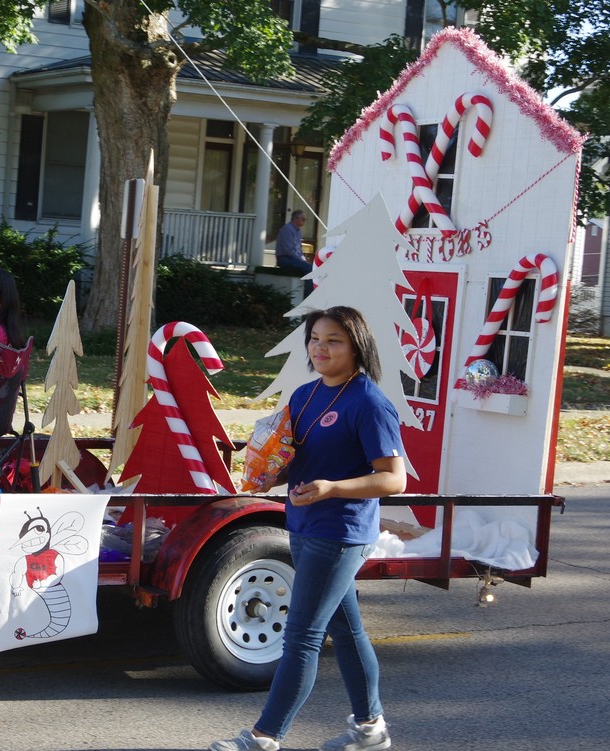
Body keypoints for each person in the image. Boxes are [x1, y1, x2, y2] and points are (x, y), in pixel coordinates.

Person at [211, 306, 406, 751]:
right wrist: (266, 475)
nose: (320, 347)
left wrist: (333, 488)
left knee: (300, 636)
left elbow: (394, 478)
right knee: (347, 631)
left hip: (339, 533)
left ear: (356, 345)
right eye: (315, 338)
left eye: (333, 340)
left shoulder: (370, 403)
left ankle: (264, 737)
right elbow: (294, 459)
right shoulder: (305, 395)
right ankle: (370, 731)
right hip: (302, 523)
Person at [276, 209, 313, 298]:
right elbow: (287, 250)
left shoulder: (298, 231)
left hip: (293, 258)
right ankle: (307, 297)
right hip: (284, 258)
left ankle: (307, 293)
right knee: (309, 269)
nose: (304, 221)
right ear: (296, 218)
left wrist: (303, 258)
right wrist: (300, 259)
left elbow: (299, 249)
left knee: (311, 267)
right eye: (303, 219)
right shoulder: (287, 229)